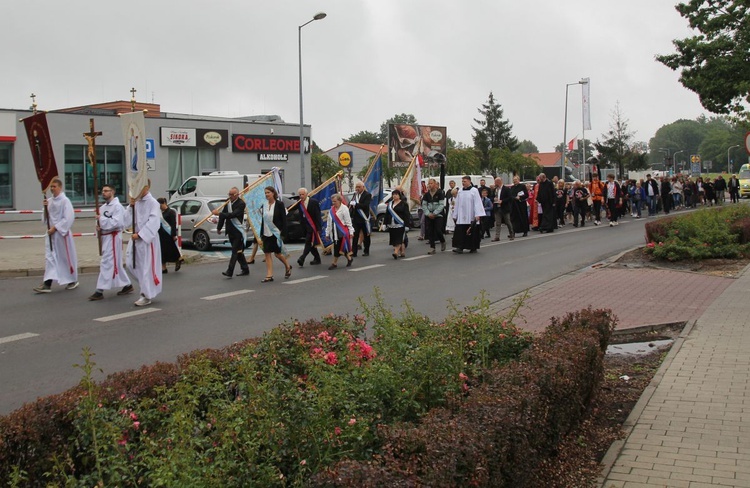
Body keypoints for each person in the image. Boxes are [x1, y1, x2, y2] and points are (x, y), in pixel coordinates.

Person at [34, 177, 79, 293]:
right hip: (50, 235)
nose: (52, 189)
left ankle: (71, 280)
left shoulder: (65, 201)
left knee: (64, 258)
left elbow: (68, 218)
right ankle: (47, 283)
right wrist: (45, 208)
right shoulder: (49, 201)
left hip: (61, 234)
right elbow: (45, 219)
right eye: (51, 187)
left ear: (60, 187)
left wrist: (56, 228)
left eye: (54, 187)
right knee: (50, 258)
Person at [88, 184, 133, 300]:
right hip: (105, 238)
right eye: (102, 191)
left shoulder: (117, 207)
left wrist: (101, 220)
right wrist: (98, 228)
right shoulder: (102, 208)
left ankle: (99, 290)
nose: (103, 193)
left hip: (113, 238)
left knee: (106, 262)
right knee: (115, 263)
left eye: (106, 191)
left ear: (112, 192)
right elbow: (100, 223)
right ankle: (127, 285)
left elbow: (117, 223)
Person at [123, 181, 162, 306]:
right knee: (130, 264)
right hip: (135, 239)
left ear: (147, 187)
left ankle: (146, 295)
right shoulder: (136, 202)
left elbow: (154, 221)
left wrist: (141, 235)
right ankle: (145, 286)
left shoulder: (153, 203)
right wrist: (130, 206)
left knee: (146, 267)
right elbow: (126, 222)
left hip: (146, 239)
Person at [212, 187, 249, 278]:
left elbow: (233, 215)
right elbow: (223, 216)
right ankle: (245, 268)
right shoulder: (227, 203)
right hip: (230, 230)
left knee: (235, 251)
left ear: (237, 194)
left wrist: (219, 214)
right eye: (229, 194)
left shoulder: (241, 204)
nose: (230, 196)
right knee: (238, 251)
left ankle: (230, 271)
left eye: (232, 194)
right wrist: (219, 227)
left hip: (238, 231)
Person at [259, 186, 292, 282]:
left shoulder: (279, 204)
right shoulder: (264, 205)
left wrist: (283, 233)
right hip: (266, 232)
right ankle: (269, 275)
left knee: (277, 254)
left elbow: (283, 220)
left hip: (275, 232)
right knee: (267, 253)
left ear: (273, 193)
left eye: (268, 192)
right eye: (265, 193)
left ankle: (287, 266)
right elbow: (263, 220)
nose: (266, 194)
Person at [451, 175, 485, 253]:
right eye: (462, 181)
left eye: (465, 181)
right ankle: (460, 247)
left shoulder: (474, 190)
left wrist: (478, 214)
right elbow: (457, 203)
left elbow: (477, 202)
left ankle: (473, 247)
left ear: (469, 181)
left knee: (472, 231)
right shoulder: (460, 191)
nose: (463, 183)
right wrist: (455, 214)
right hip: (462, 215)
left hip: (471, 214)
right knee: (461, 231)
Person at [295, 187, 323, 267]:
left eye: (302, 194)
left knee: (308, 242)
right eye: (300, 194)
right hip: (306, 227)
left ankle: (302, 258)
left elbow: (318, 215)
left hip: (313, 226)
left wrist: (318, 228)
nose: (301, 196)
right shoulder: (299, 203)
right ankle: (317, 259)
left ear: (307, 194)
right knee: (312, 244)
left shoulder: (313, 202)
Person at [326, 193, 354, 269]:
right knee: (341, 247)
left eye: (335, 201)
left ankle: (334, 263)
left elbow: (348, 221)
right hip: (334, 232)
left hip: (342, 231)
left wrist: (351, 232)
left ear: (339, 200)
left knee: (337, 247)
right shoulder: (331, 210)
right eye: (332, 201)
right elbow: (329, 222)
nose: (333, 203)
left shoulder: (344, 209)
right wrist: (327, 233)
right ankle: (349, 258)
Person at [157, 197, 183, 274]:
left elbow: (173, 224)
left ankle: (177, 259)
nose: (159, 207)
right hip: (161, 235)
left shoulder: (171, 212)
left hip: (168, 234)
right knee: (162, 252)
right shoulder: (160, 213)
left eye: (160, 205)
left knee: (171, 250)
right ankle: (163, 268)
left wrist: (174, 235)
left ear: (164, 203)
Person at [421, 178, 446, 254]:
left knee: (438, 230)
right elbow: (424, 205)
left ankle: (442, 241)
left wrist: (435, 213)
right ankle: (432, 247)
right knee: (430, 231)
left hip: (438, 215)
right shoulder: (426, 195)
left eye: (431, 183)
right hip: (429, 215)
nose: (430, 185)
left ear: (435, 184)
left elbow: (441, 205)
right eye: (429, 183)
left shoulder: (439, 193)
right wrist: (428, 214)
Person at [384, 189, 411, 259]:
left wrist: (407, 225)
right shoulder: (390, 204)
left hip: (400, 224)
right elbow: (387, 214)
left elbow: (406, 215)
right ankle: (402, 251)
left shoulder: (404, 204)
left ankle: (395, 252)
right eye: (393, 194)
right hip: (392, 224)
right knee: (394, 239)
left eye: (396, 194)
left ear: (399, 195)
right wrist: (384, 223)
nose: (394, 196)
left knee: (399, 238)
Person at [349, 181, 371, 257]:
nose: (357, 188)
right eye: (356, 187)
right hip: (356, 219)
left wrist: (356, 204)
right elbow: (351, 204)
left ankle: (366, 250)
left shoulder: (367, 195)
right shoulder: (355, 195)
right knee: (355, 236)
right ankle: (354, 252)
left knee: (366, 235)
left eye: (359, 187)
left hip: (364, 218)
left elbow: (365, 205)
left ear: (363, 187)